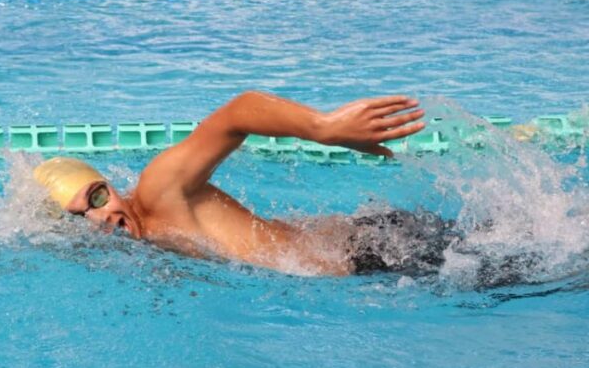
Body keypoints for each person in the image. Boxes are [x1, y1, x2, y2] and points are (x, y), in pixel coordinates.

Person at [34, 91, 435, 277]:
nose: (100, 217)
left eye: (97, 197)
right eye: (79, 217)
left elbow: (236, 115)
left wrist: (322, 127)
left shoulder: (159, 191)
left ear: (109, 186)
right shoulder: (137, 245)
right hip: (362, 258)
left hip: (377, 252)